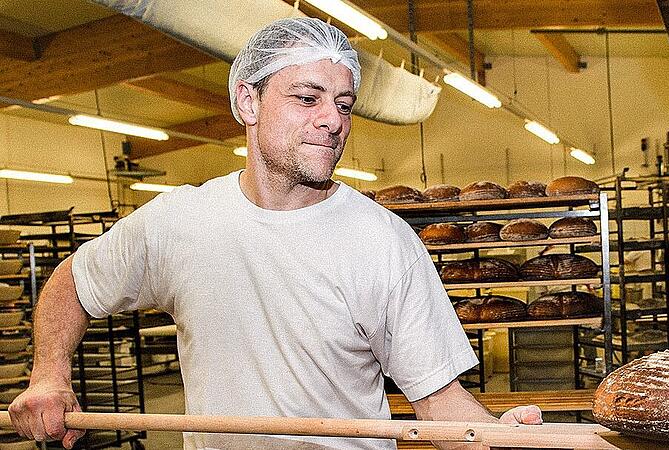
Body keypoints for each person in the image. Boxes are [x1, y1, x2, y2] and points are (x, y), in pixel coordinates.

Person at [9, 17, 542, 449]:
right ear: (248, 103)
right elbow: (71, 284)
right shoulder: (180, 222)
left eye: (343, 103)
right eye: (308, 98)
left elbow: (439, 402)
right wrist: (48, 377)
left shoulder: (382, 242)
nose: (333, 121)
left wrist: (497, 440)